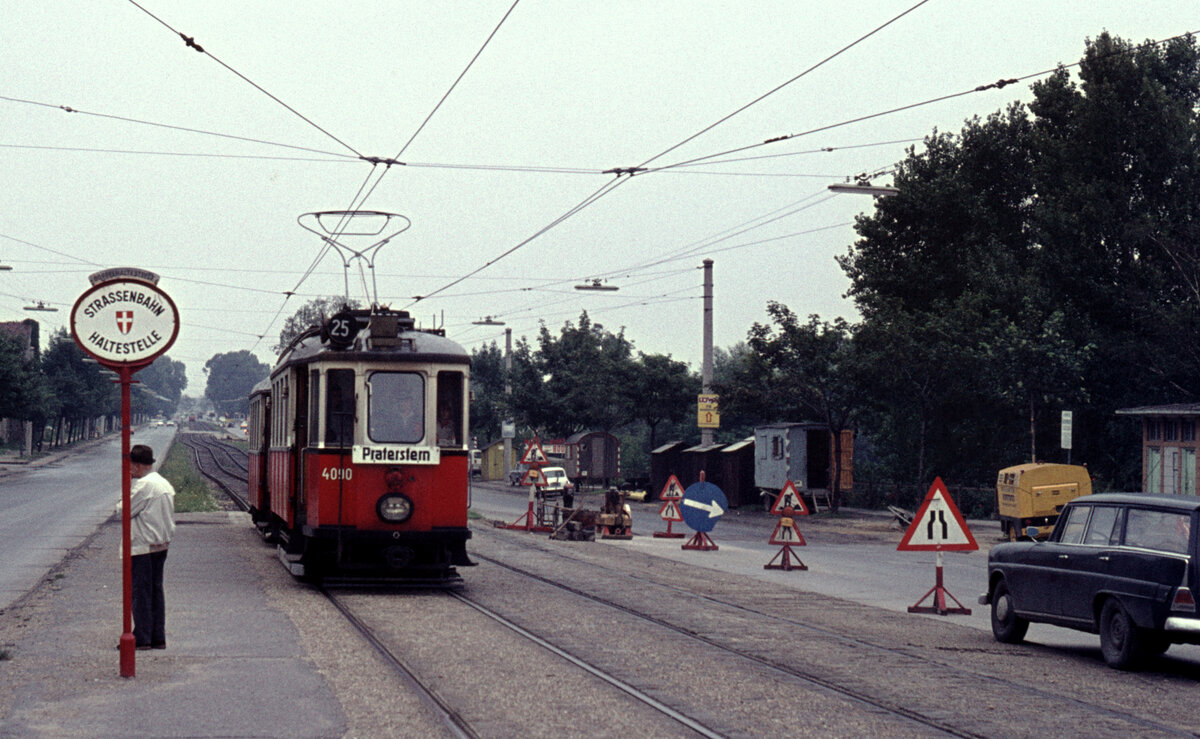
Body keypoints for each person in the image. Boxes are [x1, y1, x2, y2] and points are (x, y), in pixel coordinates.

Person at [128, 444, 175, 650]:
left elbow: (124, 511)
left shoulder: (144, 486)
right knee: (156, 591)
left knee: (141, 592)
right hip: (161, 544)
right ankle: (158, 636)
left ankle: (142, 637)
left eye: (131, 465)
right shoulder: (163, 483)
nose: (129, 470)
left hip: (144, 545)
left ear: (138, 465)